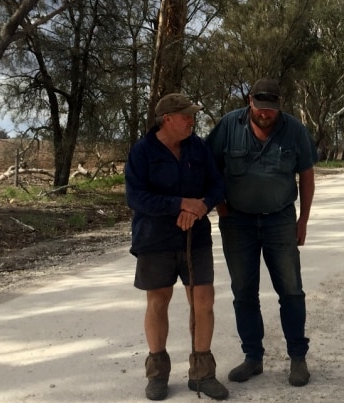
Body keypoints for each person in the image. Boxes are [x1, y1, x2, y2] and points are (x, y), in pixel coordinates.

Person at [206, 78, 317, 387]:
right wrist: (220, 206)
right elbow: (208, 166)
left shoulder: (294, 129)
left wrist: (303, 220)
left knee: (291, 291)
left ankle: (298, 357)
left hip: (280, 220)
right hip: (237, 223)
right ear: (249, 101)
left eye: (272, 109)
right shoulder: (229, 125)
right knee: (244, 293)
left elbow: (306, 174)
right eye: (260, 107)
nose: (266, 114)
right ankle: (253, 358)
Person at [126, 93, 229, 400]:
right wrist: (179, 204)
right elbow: (136, 197)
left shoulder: (198, 148)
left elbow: (217, 184)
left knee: (203, 300)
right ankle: (157, 374)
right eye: (186, 116)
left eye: (192, 115)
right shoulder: (142, 152)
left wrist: (200, 207)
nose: (192, 120)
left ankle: (202, 373)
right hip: (154, 238)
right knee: (158, 301)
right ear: (167, 119)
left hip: (194, 237)